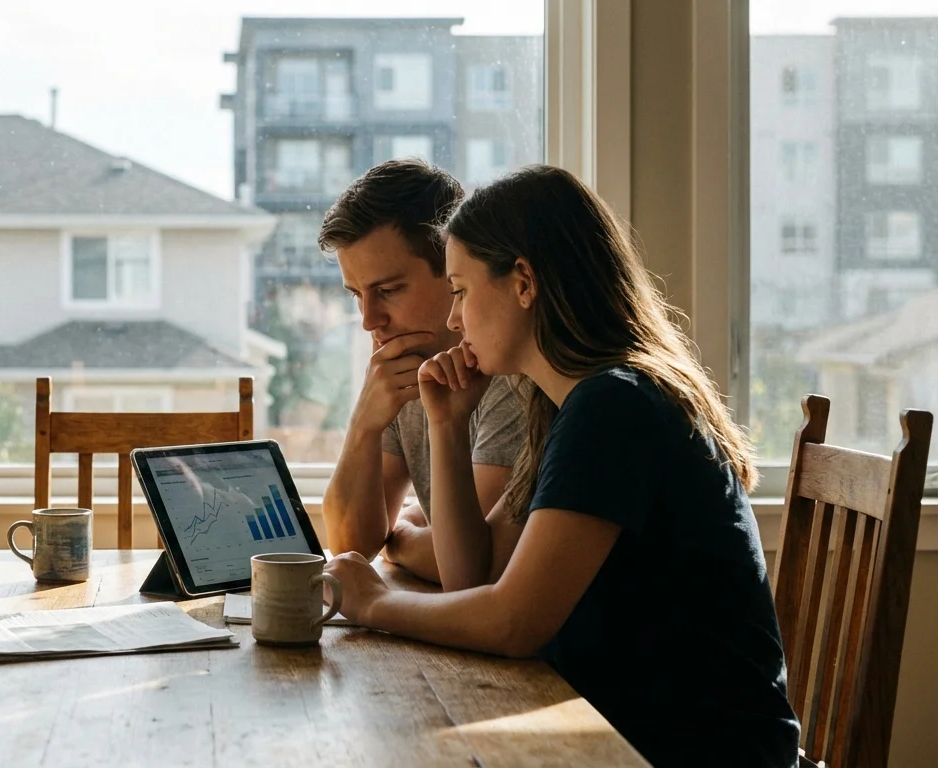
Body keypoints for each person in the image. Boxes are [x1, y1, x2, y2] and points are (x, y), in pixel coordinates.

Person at [325, 165, 800, 766]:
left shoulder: (616, 404)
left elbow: (513, 622)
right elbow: (473, 583)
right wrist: (446, 425)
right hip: (629, 731)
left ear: (523, 282)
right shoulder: (567, 405)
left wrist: (372, 604)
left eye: (463, 291)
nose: (453, 319)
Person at [318, 159, 525, 583]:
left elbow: (473, 564)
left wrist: (403, 538)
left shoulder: (512, 376)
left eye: (389, 291)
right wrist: (362, 426)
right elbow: (349, 545)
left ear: (452, 272)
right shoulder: (403, 372)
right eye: (357, 295)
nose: (368, 320)